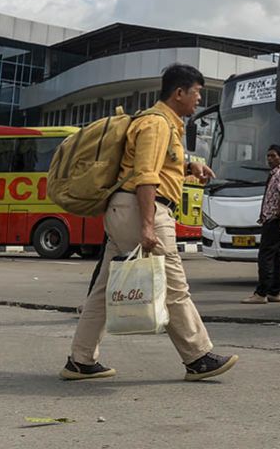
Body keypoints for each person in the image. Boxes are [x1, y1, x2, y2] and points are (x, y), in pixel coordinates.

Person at [62, 64, 239, 382]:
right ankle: (198, 357)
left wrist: (190, 167)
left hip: (126, 211)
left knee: (103, 292)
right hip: (144, 210)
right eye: (197, 93)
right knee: (174, 286)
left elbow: (162, 164)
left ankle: (80, 360)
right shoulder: (156, 124)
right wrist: (146, 226)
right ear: (179, 93)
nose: (199, 100)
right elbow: (145, 177)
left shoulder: (163, 124)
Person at [240, 144, 280, 304]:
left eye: (273, 156)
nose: (270, 159)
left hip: (274, 220)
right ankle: (275, 292)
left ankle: (261, 293)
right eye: (268, 156)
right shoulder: (276, 173)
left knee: (265, 255)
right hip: (273, 219)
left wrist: (277, 214)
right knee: (277, 256)